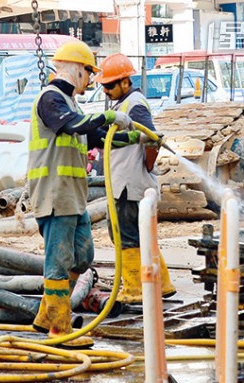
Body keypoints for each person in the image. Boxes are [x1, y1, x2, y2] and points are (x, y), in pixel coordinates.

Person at [27, 41, 135, 348]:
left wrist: (134, 137)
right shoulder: (51, 99)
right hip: (54, 194)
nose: (91, 79)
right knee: (59, 261)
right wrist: (110, 117)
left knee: (83, 255)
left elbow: (97, 135)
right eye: (89, 72)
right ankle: (60, 329)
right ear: (77, 69)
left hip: (73, 196)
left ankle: (45, 316)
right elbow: (74, 126)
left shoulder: (71, 104)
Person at [93, 53, 176, 304]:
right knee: (141, 237)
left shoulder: (135, 104)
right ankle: (162, 284)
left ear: (125, 82)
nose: (105, 90)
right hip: (127, 182)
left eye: (109, 85)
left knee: (125, 236)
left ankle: (133, 289)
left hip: (128, 184)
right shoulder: (124, 104)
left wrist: (146, 167)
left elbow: (152, 138)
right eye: (103, 86)